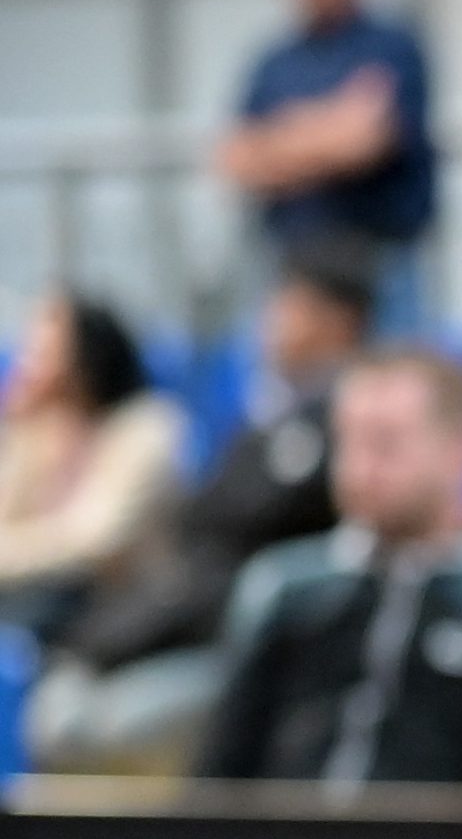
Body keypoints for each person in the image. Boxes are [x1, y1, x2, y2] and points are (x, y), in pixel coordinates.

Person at [35, 241, 374, 773]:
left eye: (288, 304)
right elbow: (209, 518)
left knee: (101, 725)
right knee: (59, 702)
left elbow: (241, 517)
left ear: (336, 321)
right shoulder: (266, 412)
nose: (270, 320)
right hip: (179, 622)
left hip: (252, 646)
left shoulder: (346, 415)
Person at [198, 348, 462, 785]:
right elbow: (222, 767)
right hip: (288, 825)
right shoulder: (287, 585)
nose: (361, 468)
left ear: (461, 454)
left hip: (437, 827)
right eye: (348, 441)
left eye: (386, 444)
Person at [217, 0, 435, 335]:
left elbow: (364, 142)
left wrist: (281, 139)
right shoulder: (274, 60)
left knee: (387, 372)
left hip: (377, 266)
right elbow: (235, 159)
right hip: (294, 266)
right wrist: (327, 129)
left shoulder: (391, 44)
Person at [0, 296, 184, 645]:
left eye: (40, 353)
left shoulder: (147, 429)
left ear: (83, 361)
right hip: (42, 601)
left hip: (125, 613)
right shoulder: (39, 430)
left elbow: (92, 544)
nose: (24, 364)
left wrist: (4, 557)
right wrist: (15, 427)